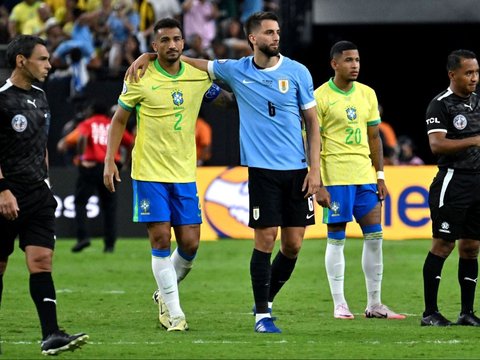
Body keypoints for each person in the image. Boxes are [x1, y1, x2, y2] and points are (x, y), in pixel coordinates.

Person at [125, 11, 330, 333]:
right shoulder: (235, 70)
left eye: (277, 32)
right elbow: (188, 60)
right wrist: (149, 54)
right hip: (262, 171)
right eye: (269, 32)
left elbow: (313, 123)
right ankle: (263, 314)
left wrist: (315, 171)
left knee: (293, 246)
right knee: (264, 240)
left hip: (298, 170)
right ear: (253, 39)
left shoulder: (298, 72)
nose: (276, 37)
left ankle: (266, 298)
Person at [103, 18, 233, 332]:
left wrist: (249, 92)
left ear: (183, 43)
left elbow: (225, 101)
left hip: (184, 172)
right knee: (161, 238)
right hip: (149, 171)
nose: (172, 45)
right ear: (154, 46)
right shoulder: (140, 76)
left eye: (177, 39)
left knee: (190, 244)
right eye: (164, 40)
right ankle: (174, 313)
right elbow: (120, 120)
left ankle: (164, 292)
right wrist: (110, 161)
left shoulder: (197, 77)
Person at [0, 35, 88, 355]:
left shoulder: (41, 96)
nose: (50, 65)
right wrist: (3, 190)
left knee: (41, 261)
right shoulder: (2, 99)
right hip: (6, 192)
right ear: (21, 60)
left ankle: (51, 335)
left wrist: (47, 182)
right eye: (43, 59)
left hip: (38, 193)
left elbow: (42, 145)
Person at [314, 40, 405, 320]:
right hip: (335, 177)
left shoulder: (367, 94)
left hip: (365, 177)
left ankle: (374, 304)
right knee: (337, 239)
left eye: (357, 60)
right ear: (334, 64)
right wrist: (317, 181)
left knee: (375, 238)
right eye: (349, 60)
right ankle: (340, 303)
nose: (355, 65)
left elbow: (374, 138)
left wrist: (380, 175)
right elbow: (313, 141)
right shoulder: (320, 97)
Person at [421, 49, 480, 327]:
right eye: (468, 72)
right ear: (452, 74)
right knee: (443, 244)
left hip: (478, 183)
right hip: (452, 181)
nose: (474, 78)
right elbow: (437, 145)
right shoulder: (440, 104)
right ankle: (429, 312)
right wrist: (473, 141)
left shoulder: (478, 102)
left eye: (476, 72)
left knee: (471, 247)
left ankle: (467, 312)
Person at [71, 100, 134, 253]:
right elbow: (131, 142)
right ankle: (110, 244)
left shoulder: (88, 123)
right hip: (111, 167)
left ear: (92, 111)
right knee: (109, 207)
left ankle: (83, 237)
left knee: (80, 202)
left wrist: (80, 158)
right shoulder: (111, 124)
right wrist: (126, 163)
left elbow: (81, 138)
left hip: (91, 166)